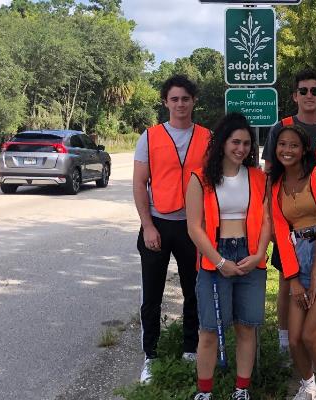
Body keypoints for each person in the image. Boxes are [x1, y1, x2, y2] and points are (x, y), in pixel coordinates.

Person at [262, 69, 316, 354]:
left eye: (314, 90)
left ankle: (311, 336)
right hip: (289, 222)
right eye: (303, 91)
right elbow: (269, 174)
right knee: (289, 284)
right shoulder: (281, 127)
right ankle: (285, 341)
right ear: (294, 95)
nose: (309, 95)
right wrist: (272, 222)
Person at [186, 113, 271, 400]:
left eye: (247, 143)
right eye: (236, 141)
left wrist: (259, 253)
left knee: (247, 327)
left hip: (250, 256)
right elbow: (194, 227)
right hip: (215, 258)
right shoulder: (200, 178)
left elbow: (267, 220)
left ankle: (241, 390)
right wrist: (219, 261)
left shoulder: (258, 177)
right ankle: (204, 392)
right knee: (209, 330)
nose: (241, 148)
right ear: (223, 143)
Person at [133, 75, 209, 383]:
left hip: (193, 227)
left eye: (185, 98)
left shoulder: (207, 137)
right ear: (166, 102)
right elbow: (139, 184)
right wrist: (147, 226)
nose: (180, 104)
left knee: (195, 291)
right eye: (174, 99)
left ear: (193, 101)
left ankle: (191, 349)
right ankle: (150, 356)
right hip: (158, 224)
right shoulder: (149, 137)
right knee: (152, 294)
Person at [269, 125, 316, 400]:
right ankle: (308, 384)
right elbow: (279, 232)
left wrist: (313, 274)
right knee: (295, 338)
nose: (287, 150)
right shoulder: (275, 185)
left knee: (312, 334)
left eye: (294, 145)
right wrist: (294, 279)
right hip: (297, 253)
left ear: (304, 150)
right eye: (282, 145)